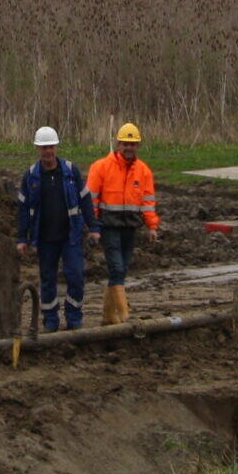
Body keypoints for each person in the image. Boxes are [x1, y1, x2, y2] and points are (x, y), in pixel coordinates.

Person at [15, 126, 95, 330]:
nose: (48, 152)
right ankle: (50, 321)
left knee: (75, 275)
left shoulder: (70, 171)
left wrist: (93, 226)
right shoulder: (31, 176)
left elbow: (85, 200)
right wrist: (22, 238)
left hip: (71, 236)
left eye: (50, 147)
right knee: (47, 279)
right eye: (43, 148)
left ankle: (74, 318)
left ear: (56, 147)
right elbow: (23, 209)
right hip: (45, 238)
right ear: (37, 149)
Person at [85, 123, 159, 325]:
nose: (129, 148)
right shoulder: (101, 167)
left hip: (130, 227)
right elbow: (90, 201)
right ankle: (125, 316)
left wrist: (152, 226)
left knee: (122, 269)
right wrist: (93, 227)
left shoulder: (143, 171)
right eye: (126, 144)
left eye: (133, 144)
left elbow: (148, 202)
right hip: (109, 227)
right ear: (118, 144)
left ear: (138, 146)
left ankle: (108, 316)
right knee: (117, 269)